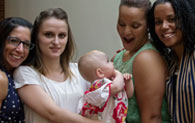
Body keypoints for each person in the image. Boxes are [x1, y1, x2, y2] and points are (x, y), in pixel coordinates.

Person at [13, 8, 103, 123]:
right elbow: (52, 113)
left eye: (61, 35)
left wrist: (119, 76)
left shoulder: (80, 70)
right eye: (48, 34)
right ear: (36, 37)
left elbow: (107, 89)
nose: (56, 42)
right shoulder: (25, 73)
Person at [113, 0, 171, 122]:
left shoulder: (146, 59)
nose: (126, 31)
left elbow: (152, 118)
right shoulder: (118, 57)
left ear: (148, 27)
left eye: (135, 26)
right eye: (122, 24)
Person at [148, 0, 195, 122]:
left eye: (172, 19)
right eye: (158, 22)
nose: (164, 26)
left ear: (186, 18)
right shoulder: (170, 61)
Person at [77, 50, 134, 123]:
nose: (112, 63)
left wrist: (128, 82)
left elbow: (129, 94)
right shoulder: (98, 85)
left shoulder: (113, 81)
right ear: (100, 72)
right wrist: (118, 73)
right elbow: (117, 87)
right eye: (108, 61)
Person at [0, 17, 33, 122]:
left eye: (26, 44)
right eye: (14, 41)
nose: (20, 50)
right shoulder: (1, 78)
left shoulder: (19, 72)